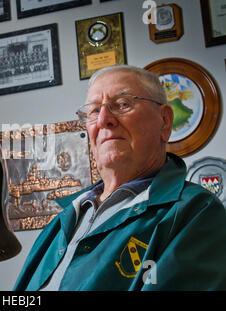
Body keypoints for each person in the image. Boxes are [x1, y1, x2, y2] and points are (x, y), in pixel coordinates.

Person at [13, 65, 226, 290]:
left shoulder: (196, 212)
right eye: (94, 111)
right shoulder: (64, 218)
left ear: (164, 121)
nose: (104, 119)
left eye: (123, 104)